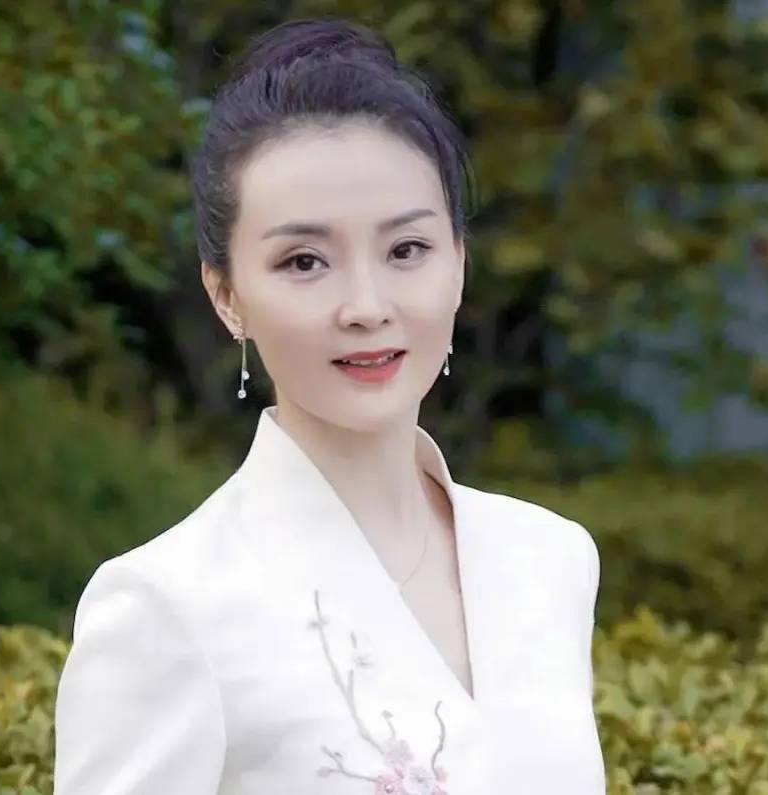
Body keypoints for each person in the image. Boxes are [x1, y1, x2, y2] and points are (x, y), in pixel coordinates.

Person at [53, 16, 605, 795]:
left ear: (458, 263)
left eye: (407, 249)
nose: (366, 305)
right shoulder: (167, 605)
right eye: (304, 261)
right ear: (227, 295)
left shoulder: (548, 559)